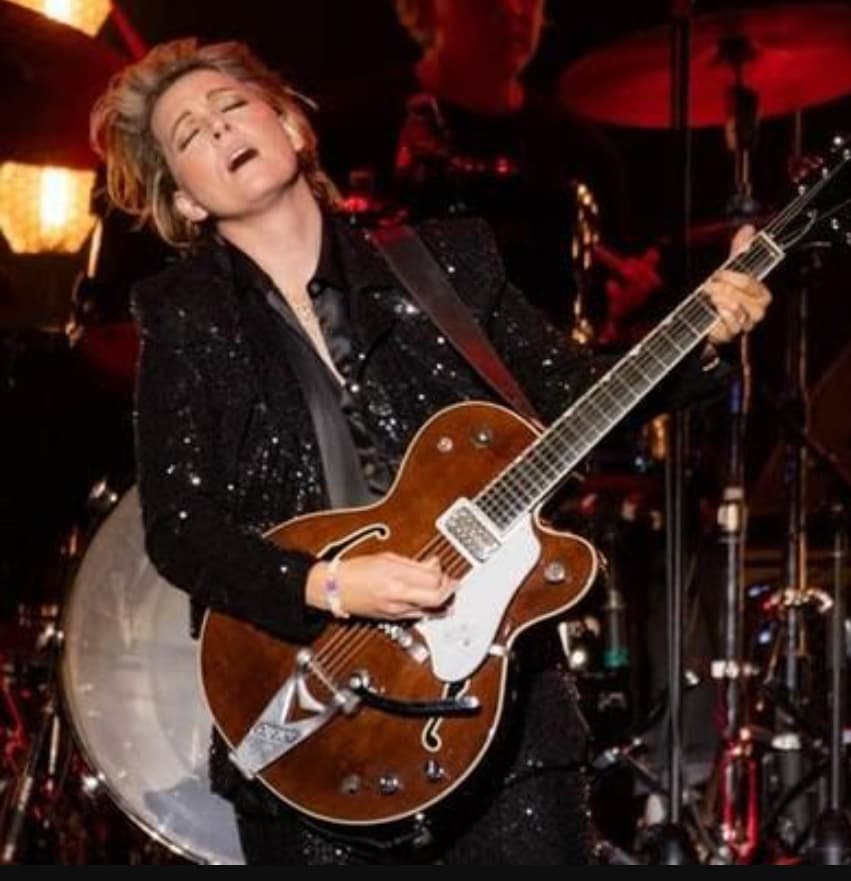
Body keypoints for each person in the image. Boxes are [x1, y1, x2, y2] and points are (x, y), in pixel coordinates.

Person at [89, 37, 771, 865]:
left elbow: (571, 394)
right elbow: (181, 529)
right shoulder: (185, 318)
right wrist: (329, 583)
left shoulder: (446, 261)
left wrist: (702, 334)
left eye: (231, 105)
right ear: (185, 201)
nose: (219, 127)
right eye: (190, 133)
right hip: (316, 717)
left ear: (293, 129)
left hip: (502, 718)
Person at [389, 0, 662, 342]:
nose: (512, 9)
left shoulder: (584, 153)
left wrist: (624, 305)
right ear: (428, 7)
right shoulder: (361, 132)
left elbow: (606, 319)